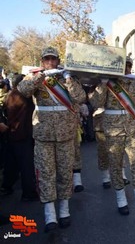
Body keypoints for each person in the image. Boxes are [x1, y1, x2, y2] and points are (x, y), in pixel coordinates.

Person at [17, 47, 86, 233]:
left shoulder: (66, 77)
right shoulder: (35, 76)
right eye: (46, 59)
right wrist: (41, 75)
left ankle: (64, 210)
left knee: (64, 172)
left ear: (58, 60)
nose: (50, 62)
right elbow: (22, 90)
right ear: (42, 61)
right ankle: (50, 215)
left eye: (53, 59)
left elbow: (80, 97)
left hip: (66, 133)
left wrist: (69, 78)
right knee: (46, 173)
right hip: (43, 134)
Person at [88, 57, 135, 215]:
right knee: (116, 163)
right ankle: (121, 199)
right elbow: (96, 103)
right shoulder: (108, 83)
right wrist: (103, 84)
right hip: (113, 128)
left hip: (131, 127)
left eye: (129, 66)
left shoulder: (134, 82)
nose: (126, 69)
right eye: (123, 66)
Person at [0, 74, 38, 201]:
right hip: (22, 132)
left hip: (11, 132)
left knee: (11, 162)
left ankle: (7, 186)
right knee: (26, 164)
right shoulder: (23, 96)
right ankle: (28, 192)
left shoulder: (11, 95)